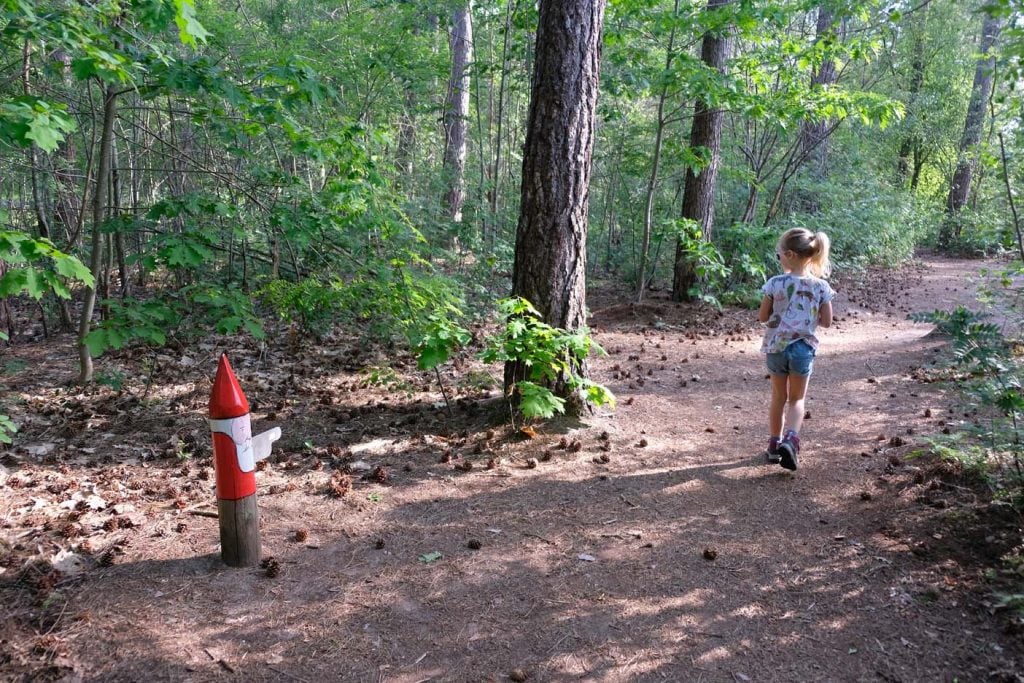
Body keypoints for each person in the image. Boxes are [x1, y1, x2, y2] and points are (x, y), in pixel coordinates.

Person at [758, 228, 834, 471]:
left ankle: (773, 445)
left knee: (778, 397)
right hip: (803, 349)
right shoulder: (821, 287)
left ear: (789, 254)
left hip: (776, 348)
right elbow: (827, 321)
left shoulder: (774, 283)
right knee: (797, 399)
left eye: (779, 253)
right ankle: (791, 439)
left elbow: (762, 316)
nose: (778, 257)